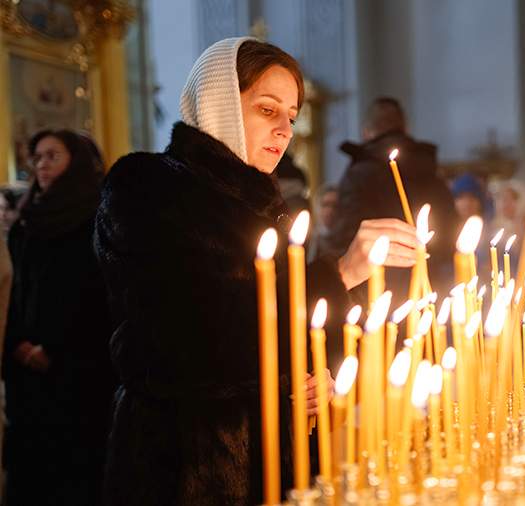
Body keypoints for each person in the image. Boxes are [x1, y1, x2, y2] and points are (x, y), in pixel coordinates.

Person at [95, 38, 418, 505]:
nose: (285, 130)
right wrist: (341, 273)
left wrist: (310, 379)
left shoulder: (263, 206)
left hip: (269, 460)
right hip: (186, 465)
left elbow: (281, 332)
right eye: (268, 110)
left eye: (291, 115)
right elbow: (187, 342)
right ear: (218, 101)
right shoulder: (146, 189)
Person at [2, 129, 113, 506]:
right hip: (26, 374)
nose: (42, 165)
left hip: (77, 373)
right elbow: (13, 291)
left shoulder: (95, 218)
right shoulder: (25, 222)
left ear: (76, 162)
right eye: (38, 158)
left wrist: (54, 349)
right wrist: (17, 342)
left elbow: (96, 298)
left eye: (53, 156)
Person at [327, 97, 459, 297]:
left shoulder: (360, 174)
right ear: (404, 128)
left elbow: (345, 235)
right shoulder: (429, 170)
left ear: (366, 131)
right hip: (428, 287)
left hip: (375, 290)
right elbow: (450, 231)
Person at [308, 183, 338, 261]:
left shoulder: (345, 239)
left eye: (334, 205)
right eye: (325, 205)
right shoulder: (308, 238)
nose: (330, 210)